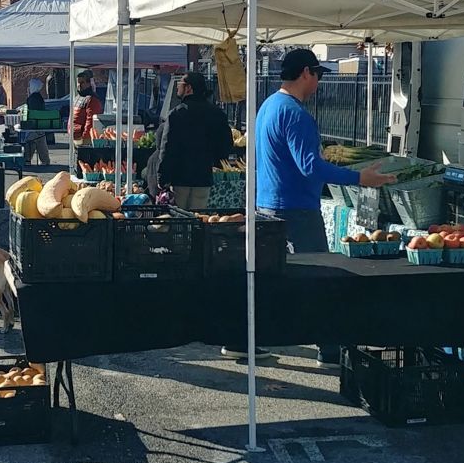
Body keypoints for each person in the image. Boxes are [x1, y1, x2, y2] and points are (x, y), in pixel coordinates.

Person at [250, 49, 395, 367]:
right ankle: (329, 348)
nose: (318, 83)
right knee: (322, 279)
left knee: (268, 277)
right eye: (317, 75)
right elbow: (310, 167)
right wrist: (361, 177)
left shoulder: (268, 107)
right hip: (297, 209)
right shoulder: (296, 114)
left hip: (267, 204)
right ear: (306, 73)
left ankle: (242, 339)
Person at [157, 71, 233, 210]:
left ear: (188, 88)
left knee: (179, 220)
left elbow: (167, 147)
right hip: (203, 176)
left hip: (179, 177)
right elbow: (226, 143)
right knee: (199, 219)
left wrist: (162, 177)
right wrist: (215, 161)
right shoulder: (217, 114)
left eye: (180, 84)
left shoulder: (177, 114)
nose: (177, 87)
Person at [22, 78, 51, 166]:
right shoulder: (39, 97)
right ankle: (45, 160)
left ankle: (27, 160)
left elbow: (31, 112)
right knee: (41, 141)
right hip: (40, 124)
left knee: (30, 141)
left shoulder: (32, 98)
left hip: (34, 124)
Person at [72, 70, 102, 145]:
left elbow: (91, 121)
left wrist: (86, 138)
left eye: (82, 83)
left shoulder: (92, 100)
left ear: (89, 83)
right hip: (75, 136)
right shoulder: (77, 97)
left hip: (83, 139)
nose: (79, 85)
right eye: (78, 83)